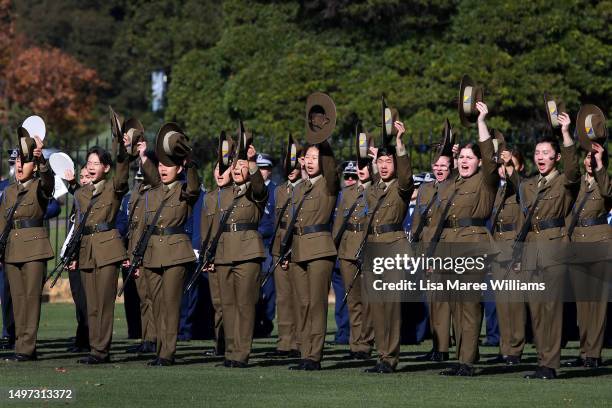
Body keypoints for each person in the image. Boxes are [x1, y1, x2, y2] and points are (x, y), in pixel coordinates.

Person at [437, 102, 499, 377]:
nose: (463, 161)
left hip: (473, 243)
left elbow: (489, 155)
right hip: (449, 244)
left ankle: (467, 361)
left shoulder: (485, 180)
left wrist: (481, 122)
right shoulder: (454, 184)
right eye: (460, 157)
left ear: (479, 162)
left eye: (468, 158)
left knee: (470, 305)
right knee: (456, 304)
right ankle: (462, 357)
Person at [520, 111, 580, 380]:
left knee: (551, 308)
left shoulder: (565, 182)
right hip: (532, 247)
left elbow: (574, 169)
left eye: (546, 153)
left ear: (556, 157)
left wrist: (566, 134)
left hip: (554, 246)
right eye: (537, 153)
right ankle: (543, 360)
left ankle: (551, 364)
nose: (541, 157)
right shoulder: (530, 184)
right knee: (536, 309)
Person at [137, 123, 199, 366]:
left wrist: (190, 161)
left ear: (180, 167)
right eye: (161, 165)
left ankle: (167, 353)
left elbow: (194, 187)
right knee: (157, 304)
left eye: (169, 165)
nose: (163, 169)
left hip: (175, 251)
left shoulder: (185, 190)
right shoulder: (151, 193)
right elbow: (143, 226)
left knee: (171, 304)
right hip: (152, 252)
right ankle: (160, 350)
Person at [209, 132, 267, 368]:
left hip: (247, 251)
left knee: (244, 304)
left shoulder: (255, 192)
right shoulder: (223, 194)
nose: (236, 168)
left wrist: (251, 163)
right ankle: (230, 352)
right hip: (224, 252)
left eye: (240, 165)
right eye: (234, 164)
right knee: (228, 305)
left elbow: (260, 188)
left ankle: (242, 353)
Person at [70, 138, 130, 365]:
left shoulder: (113, 188)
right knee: (91, 304)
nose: (92, 166)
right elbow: (77, 228)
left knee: (104, 304)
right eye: (89, 163)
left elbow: (123, 175)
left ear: (106, 167)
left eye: (97, 163)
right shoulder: (80, 194)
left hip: (107, 249)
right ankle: (95, 348)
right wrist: (73, 255)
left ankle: (100, 351)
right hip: (86, 250)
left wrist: (123, 152)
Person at [363, 121, 414, 374]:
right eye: (381, 162)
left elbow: (406, 176)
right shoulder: (375, 187)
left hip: (393, 247)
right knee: (377, 306)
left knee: (391, 306)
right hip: (373, 247)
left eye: (388, 162)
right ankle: (382, 354)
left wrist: (400, 144)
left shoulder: (402, 187)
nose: (384, 166)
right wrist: (374, 154)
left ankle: (390, 357)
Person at [284, 139, 339, 371]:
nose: (311, 162)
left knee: (317, 305)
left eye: (316, 158)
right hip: (298, 248)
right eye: (308, 158)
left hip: (319, 249)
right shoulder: (299, 188)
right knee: (302, 304)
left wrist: (322, 141)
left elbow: (333, 171)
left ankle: (314, 356)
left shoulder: (327, 184)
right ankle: (304, 352)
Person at [562, 109, 610, 369]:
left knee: (597, 302)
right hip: (578, 245)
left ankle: (594, 354)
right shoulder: (577, 183)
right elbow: (568, 169)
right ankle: (584, 352)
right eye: (588, 157)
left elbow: (608, 193)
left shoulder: (606, 181)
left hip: (600, 244)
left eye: (595, 157)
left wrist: (601, 165)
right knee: (583, 305)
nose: (589, 160)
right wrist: (567, 133)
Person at [1, 130, 54, 361]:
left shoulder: (39, 186)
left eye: (25, 162)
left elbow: (48, 183)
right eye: (18, 162)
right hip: (12, 249)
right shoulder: (9, 191)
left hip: (34, 249)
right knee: (17, 300)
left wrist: (41, 159)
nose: (20, 166)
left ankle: (26, 348)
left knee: (31, 300)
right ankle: (20, 345)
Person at [413, 142, 456, 362]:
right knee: (432, 301)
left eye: (444, 165)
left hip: (444, 248)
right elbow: (418, 221)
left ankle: (444, 348)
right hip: (426, 249)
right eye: (436, 165)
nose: (439, 169)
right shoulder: (425, 188)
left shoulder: (453, 186)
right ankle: (437, 345)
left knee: (443, 301)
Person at [487, 141, 525, 365]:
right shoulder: (499, 190)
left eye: (510, 164)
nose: (504, 168)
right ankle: (505, 348)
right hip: (498, 247)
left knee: (515, 302)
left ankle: (515, 349)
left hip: (514, 247)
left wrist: (510, 166)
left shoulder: (524, 186)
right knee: (502, 302)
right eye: (502, 165)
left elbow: (518, 186)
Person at [332, 159, 375, 359]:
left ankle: (366, 344)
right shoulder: (347, 193)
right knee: (353, 300)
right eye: (359, 166)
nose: (361, 170)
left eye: (366, 166)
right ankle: (355, 344)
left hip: (368, 248)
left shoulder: (377, 190)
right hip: (348, 247)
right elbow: (339, 224)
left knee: (368, 301)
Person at [267, 139, 304, 358]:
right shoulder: (279, 191)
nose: (292, 171)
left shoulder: (307, 189)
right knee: (283, 298)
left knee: (300, 297)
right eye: (288, 168)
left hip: (299, 246)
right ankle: (285, 342)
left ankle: (300, 342)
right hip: (280, 246)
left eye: (296, 167)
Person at [255, 153, 276, 337]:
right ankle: (254, 323)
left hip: (268, 245)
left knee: (268, 289)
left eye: (264, 168)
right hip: (251, 245)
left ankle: (266, 324)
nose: (261, 171)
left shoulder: (276, 191)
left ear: (270, 170)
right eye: (258, 167)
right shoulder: (251, 190)